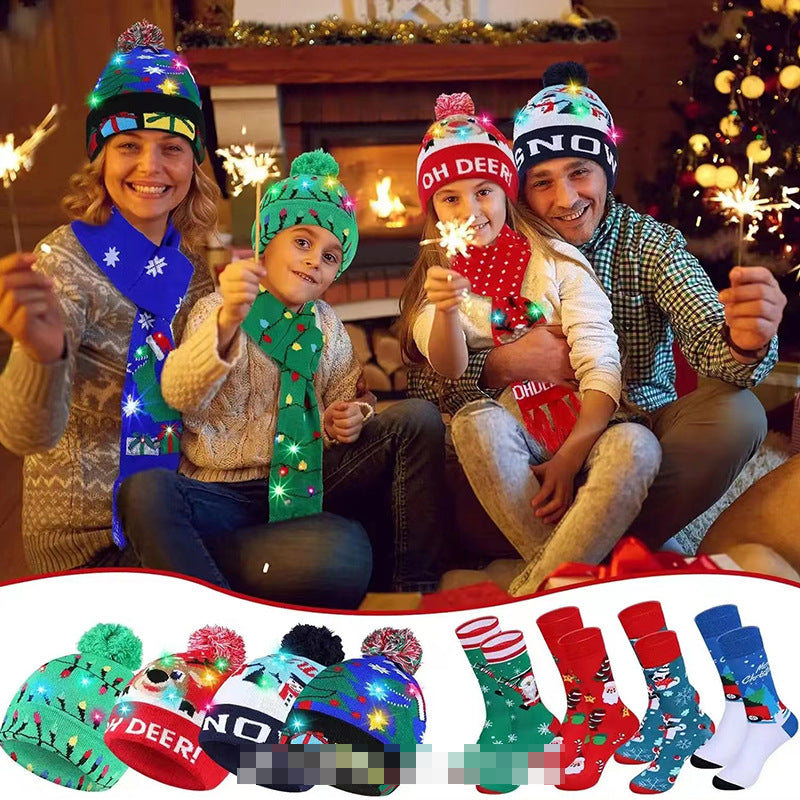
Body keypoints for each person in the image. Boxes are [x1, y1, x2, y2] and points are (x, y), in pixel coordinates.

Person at [409, 62, 788, 559]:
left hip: (631, 442)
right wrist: (503, 362)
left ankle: (570, 552)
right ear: (516, 190)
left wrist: (746, 338)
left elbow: (710, 345)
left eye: (580, 173)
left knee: (738, 414)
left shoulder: (650, 246)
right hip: (518, 463)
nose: (566, 199)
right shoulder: (463, 254)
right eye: (541, 181)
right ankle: (606, 552)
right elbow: (418, 383)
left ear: (606, 171)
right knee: (459, 443)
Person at [119, 150, 448, 605]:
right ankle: (213, 609)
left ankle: (416, 589)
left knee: (416, 419)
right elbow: (179, 393)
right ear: (266, 242)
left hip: (307, 477)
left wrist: (350, 417)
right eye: (302, 242)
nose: (315, 261)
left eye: (331, 256)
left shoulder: (328, 325)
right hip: (226, 496)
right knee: (144, 491)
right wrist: (229, 322)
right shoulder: (217, 309)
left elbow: (344, 403)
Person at [397, 93, 661, 596]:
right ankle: (571, 582)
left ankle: (532, 591)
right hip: (511, 439)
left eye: (483, 192)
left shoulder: (559, 263)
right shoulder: (439, 281)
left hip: (586, 425)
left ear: (506, 195)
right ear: (433, 210)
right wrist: (448, 311)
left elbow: (601, 362)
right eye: (450, 198)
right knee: (475, 421)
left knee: (639, 444)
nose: (470, 210)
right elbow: (449, 367)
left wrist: (569, 458)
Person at [0, 21, 220, 574]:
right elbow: (25, 433)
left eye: (171, 148)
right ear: (102, 158)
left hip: (184, 509)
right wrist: (40, 355)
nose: (151, 168)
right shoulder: (62, 263)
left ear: (193, 165)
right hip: (90, 536)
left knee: (330, 559)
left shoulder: (196, 270)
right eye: (128, 146)